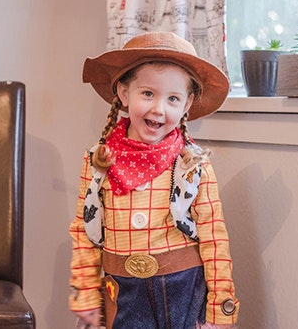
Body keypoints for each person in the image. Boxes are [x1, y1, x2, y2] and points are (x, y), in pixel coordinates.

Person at [69, 31, 239, 329]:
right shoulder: (98, 161)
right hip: (121, 292)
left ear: (187, 105)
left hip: (183, 290)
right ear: (123, 93)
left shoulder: (192, 164)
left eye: (173, 98)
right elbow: (84, 231)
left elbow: (215, 237)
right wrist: (84, 292)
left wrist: (219, 308)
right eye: (147, 93)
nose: (159, 108)